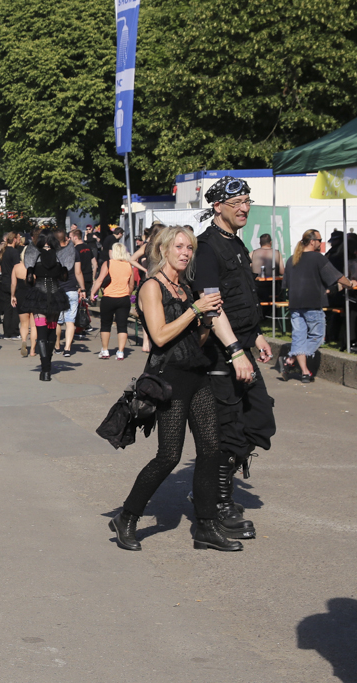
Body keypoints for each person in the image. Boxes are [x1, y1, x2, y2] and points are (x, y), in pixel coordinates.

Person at [108, 226, 242, 551]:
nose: (185, 253)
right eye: (179, 246)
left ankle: (206, 526)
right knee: (169, 455)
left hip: (197, 373)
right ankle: (127, 517)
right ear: (164, 250)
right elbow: (160, 336)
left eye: (190, 248)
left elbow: (197, 340)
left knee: (211, 449)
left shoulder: (185, 288)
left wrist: (206, 319)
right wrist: (195, 310)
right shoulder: (151, 287)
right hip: (168, 379)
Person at [192, 176, 275, 536]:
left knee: (259, 420)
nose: (244, 208)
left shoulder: (237, 243)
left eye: (247, 201)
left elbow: (240, 298)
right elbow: (211, 307)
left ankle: (212, 490)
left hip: (242, 348)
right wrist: (236, 350)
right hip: (220, 354)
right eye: (237, 202)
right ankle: (218, 502)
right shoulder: (206, 248)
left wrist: (255, 336)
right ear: (217, 207)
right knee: (229, 430)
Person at [282, 230, 357, 382]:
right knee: (317, 337)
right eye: (320, 240)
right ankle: (291, 359)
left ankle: (304, 372)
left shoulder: (292, 259)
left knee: (299, 338)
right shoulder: (317, 258)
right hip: (312, 303)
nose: (321, 242)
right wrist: (350, 283)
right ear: (312, 242)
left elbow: (286, 284)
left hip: (295, 304)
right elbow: (336, 276)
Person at [22, 229, 68, 381]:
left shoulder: (35, 255)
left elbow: (29, 280)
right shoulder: (59, 255)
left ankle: (45, 369)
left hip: (39, 295)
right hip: (55, 296)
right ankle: (48, 363)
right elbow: (64, 277)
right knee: (52, 331)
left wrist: (33, 274)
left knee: (41, 333)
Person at [90, 243, 134, 360]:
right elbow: (131, 284)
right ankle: (121, 352)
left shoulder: (108, 263)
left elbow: (100, 280)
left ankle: (105, 350)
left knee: (105, 324)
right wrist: (128, 294)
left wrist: (93, 292)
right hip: (123, 298)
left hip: (108, 297)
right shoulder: (128, 265)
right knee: (122, 325)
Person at [54, 228, 83, 357]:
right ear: (66, 238)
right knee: (70, 321)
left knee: (58, 321)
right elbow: (78, 272)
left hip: (57, 290)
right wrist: (83, 288)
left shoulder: (53, 253)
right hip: (71, 289)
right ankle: (67, 348)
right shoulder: (74, 252)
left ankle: (57, 346)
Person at [10, 250, 37, 358]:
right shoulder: (35, 267)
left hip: (21, 296)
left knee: (24, 324)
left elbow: (13, 284)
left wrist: (13, 295)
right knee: (34, 326)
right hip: (34, 296)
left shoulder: (16, 267)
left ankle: (24, 341)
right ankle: (33, 350)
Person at [71, 229, 96, 317]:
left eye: (70, 237)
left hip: (79, 279)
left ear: (75, 237)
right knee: (85, 302)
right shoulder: (88, 247)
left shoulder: (75, 250)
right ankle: (85, 320)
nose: (70, 239)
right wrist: (93, 277)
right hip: (88, 277)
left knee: (77, 303)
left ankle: (80, 321)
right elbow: (95, 264)